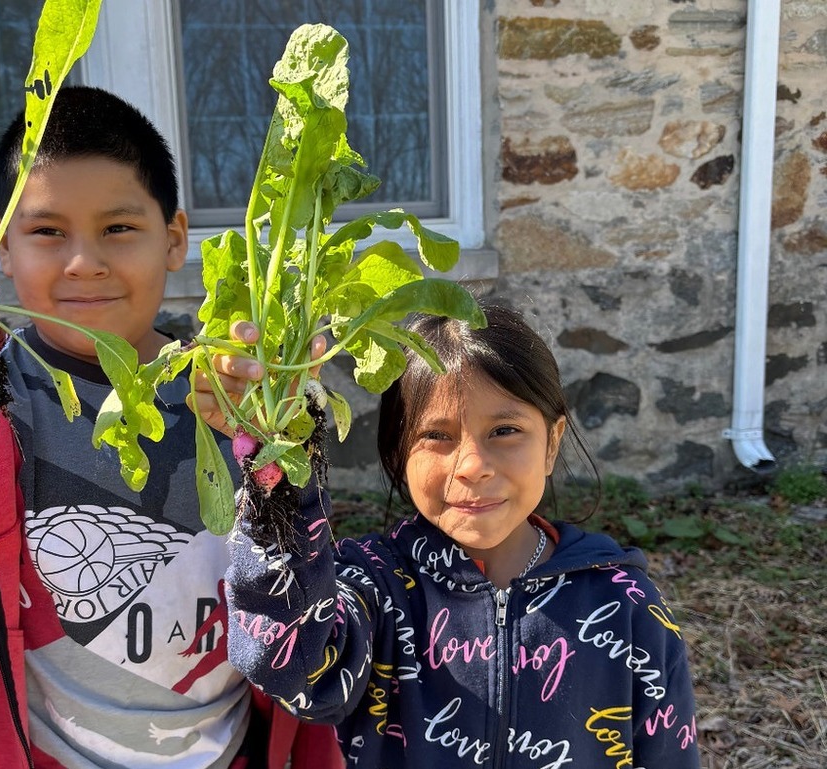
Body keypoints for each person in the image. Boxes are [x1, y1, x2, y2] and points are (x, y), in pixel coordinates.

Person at [0, 86, 340, 769]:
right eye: (46, 232)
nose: (83, 262)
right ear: (3, 250)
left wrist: (280, 439)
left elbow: (303, 602)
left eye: (118, 229)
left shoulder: (239, 391)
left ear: (176, 239)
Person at [224, 302, 701, 768]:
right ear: (398, 453)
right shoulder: (374, 589)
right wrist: (280, 475)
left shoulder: (626, 604)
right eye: (437, 436)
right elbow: (295, 663)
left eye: (505, 430)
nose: (472, 466)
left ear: (552, 443)